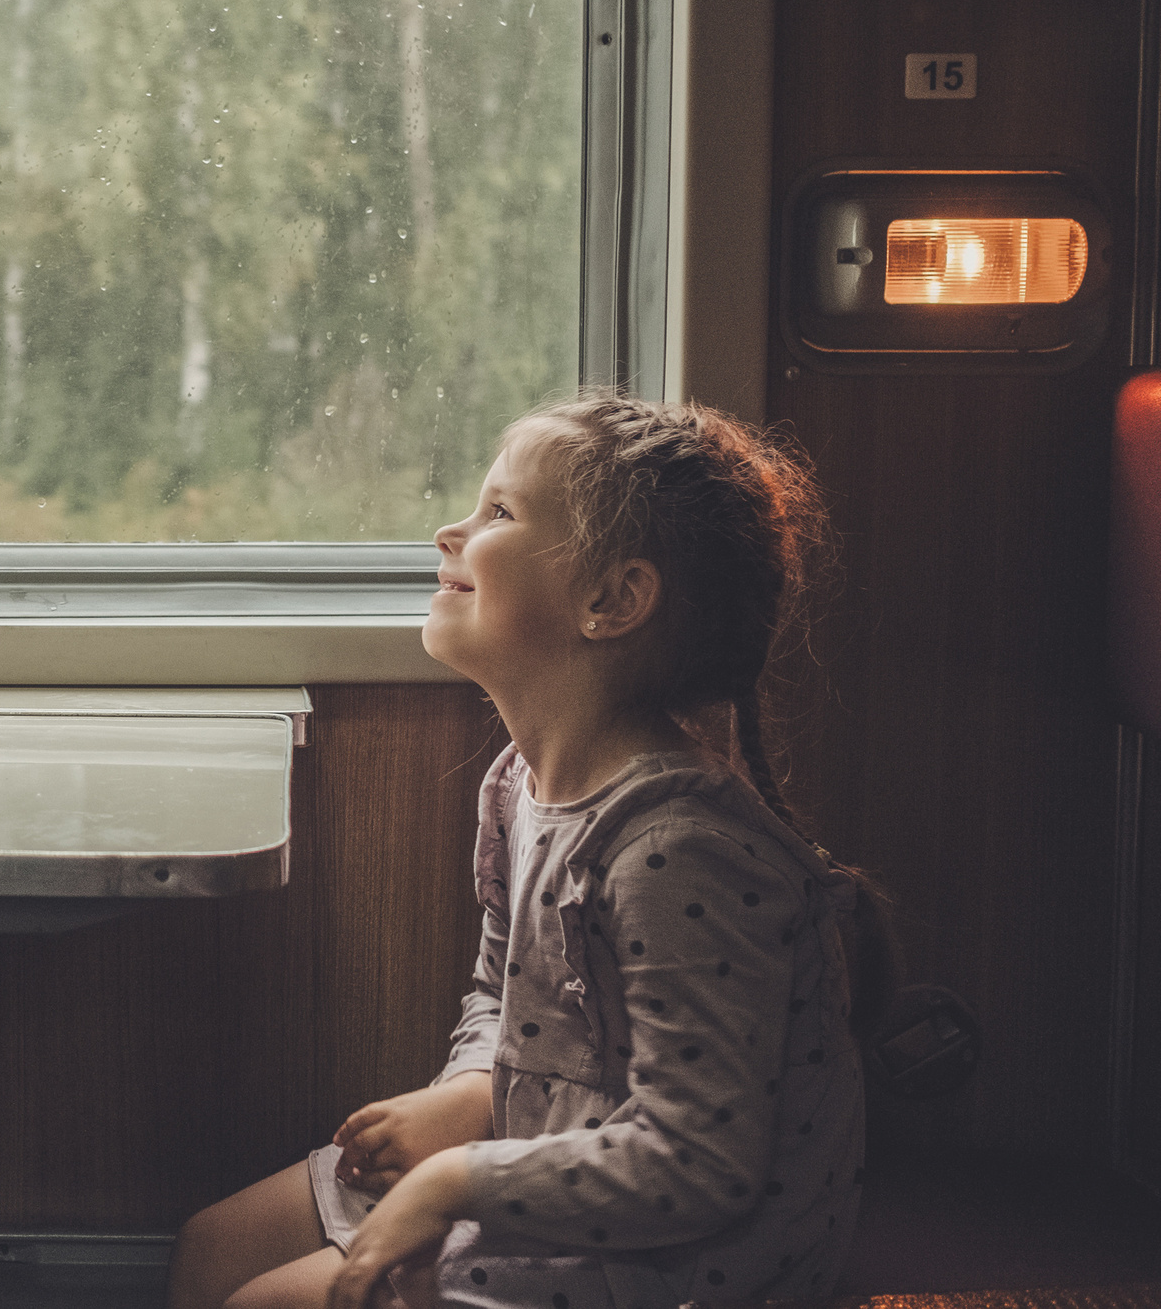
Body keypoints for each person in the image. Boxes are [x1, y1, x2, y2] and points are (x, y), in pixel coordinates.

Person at [169, 393, 887, 1309]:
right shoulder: (517, 783)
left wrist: (455, 1180)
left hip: (684, 1258)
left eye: (498, 513)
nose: (450, 530)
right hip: (535, 1153)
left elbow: (699, 1162)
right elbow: (502, 995)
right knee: (212, 1249)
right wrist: (468, 1093)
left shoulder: (680, 850)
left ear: (612, 600)